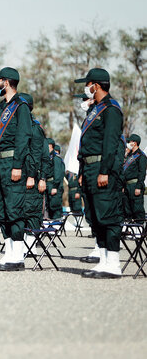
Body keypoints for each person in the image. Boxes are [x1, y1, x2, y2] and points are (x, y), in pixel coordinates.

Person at [75, 68, 125, 279]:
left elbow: (110, 143)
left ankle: (113, 262)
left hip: (102, 169)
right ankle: (103, 260)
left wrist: (104, 171)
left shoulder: (111, 109)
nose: (86, 88)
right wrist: (81, 170)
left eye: (88, 84)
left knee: (108, 215)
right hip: (89, 168)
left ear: (96, 85)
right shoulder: (95, 109)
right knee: (96, 216)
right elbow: (85, 144)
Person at [0, 67, 32, 271]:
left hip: (13, 162)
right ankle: (9, 252)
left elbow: (23, 137)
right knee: (3, 210)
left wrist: (17, 165)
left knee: (15, 210)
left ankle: (18, 256)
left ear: (7, 82)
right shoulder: (1, 107)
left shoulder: (20, 106)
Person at [21, 93, 47, 255]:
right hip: (19, 175)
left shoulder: (35, 128)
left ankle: (30, 247)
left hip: (31, 175)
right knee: (20, 210)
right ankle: (22, 245)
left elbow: (42, 156)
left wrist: (41, 177)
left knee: (31, 210)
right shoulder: (20, 126)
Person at [122, 134, 145, 221]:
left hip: (135, 185)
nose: (128, 143)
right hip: (126, 186)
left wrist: (139, 187)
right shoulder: (128, 156)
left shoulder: (141, 156)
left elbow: (142, 173)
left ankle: (139, 229)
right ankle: (130, 229)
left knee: (137, 208)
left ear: (134, 143)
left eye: (129, 142)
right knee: (127, 209)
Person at [45, 140, 65, 220]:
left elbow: (58, 173)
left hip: (53, 185)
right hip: (49, 184)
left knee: (55, 207)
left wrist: (55, 187)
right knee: (50, 207)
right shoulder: (49, 157)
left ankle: (56, 227)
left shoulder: (56, 158)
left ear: (51, 147)